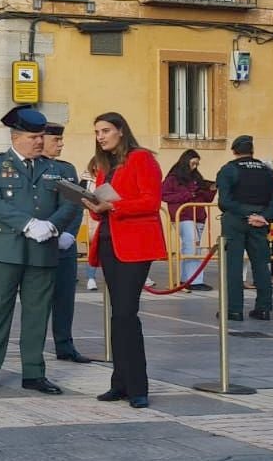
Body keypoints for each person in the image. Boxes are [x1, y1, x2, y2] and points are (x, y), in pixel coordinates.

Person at [0, 107, 77, 396]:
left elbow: (71, 202)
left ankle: (33, 372)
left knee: (37, 313)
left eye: (42, 137)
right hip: (4, 250)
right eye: (34, 137)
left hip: (42, 251)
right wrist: (28, 224)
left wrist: (53, 227)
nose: (40, 142)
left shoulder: (55, 168)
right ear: (16, 137)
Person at [83, 112, 166, 409]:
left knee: (127, 314)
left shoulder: (141, 158)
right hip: (109, 243)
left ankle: (137, 386)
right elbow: (101, 210)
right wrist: (93, 204)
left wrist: (112, 206)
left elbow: (151, 201)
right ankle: (119, 383)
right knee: (117, 315)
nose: (100, 136)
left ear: (121, 130)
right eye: (96, 132)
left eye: (105, 130)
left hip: (134, 245)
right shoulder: (105, 166)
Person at [217, 136, 273, 321]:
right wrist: (263, 216)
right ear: (252, 150)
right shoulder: (266, 171)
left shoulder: (229, 169)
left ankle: (234, 309)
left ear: (235, 150)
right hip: (260, 221)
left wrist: (245, 214)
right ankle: (264, 308)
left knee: (233, 266)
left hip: (235, 221)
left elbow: (224, 201)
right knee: (261, 265)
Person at [43, 123, 92, 364]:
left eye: (61, 140)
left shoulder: (66, 169)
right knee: (39, 300)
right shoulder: (33, 168)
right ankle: (34, 347)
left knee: (64, 299)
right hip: (40, 243)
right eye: (56, 140)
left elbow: (76, 204)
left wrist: (70, 234)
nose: (61, 144)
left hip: (64, 245)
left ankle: (65, 344)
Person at [162, 149, 217, 292]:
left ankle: (186, 279)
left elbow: (207, 198)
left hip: (198, 216)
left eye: (197, 164)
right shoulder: (173, 178)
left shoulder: (197, 178)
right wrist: (187, 194)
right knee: (191, 246)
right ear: (185, 162)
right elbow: (164, 195)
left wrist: (211, 188)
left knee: (193, 247)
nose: (194, 167)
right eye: (192, 163)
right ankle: (194, 280)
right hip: (183, 215)